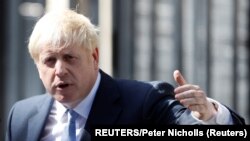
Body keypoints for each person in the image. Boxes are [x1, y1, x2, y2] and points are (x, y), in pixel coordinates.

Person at [5, 9, 245, 141]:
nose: (59, 70)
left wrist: (209, 116)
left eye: (69, 58)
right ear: (37, 66)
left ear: (94, 57)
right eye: (49, 60)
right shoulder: (22, 116)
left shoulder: (144, 101)